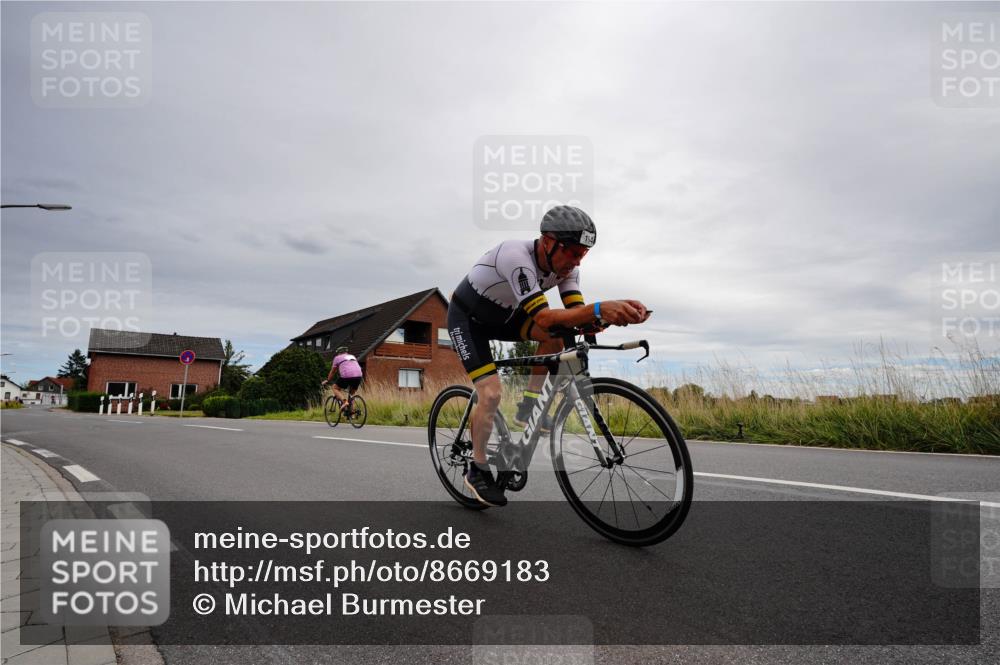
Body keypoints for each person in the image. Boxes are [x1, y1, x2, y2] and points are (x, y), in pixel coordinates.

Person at [447, 205, 650, 507]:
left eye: (583, 254)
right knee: (489, 394)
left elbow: (571, 316)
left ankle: (527, 408)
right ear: (548, 242)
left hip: (506, 317)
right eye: (572, 251)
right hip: (468, 318)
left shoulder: (569, 269)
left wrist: (603, 318)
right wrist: (598, 308)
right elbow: (543, 318)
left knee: (558, 336)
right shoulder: (516, 258)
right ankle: (477, 467)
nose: (576, 261)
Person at [322, 346, 363, 411]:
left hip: (347, 375)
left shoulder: (337, 358)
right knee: (351, 394)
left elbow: (333, 371)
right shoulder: (352, 356)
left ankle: (344, 402)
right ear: (346, 352)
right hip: (358, 375)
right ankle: (352, 412)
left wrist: (328, 380)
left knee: (335, 388)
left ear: (339, 353)